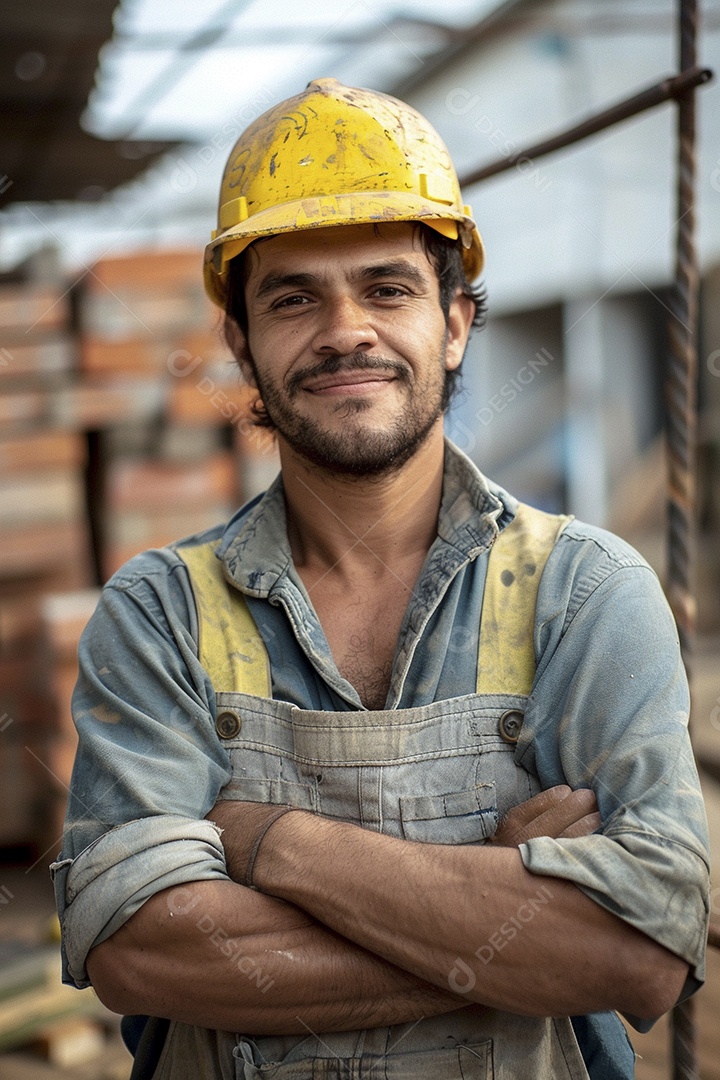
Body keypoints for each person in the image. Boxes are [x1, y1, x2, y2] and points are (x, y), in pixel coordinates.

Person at [53, 78, 710, 1080]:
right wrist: (497, 911)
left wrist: (268, 842)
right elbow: (136, 948)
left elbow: (641, 949)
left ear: (455, 323)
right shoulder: (161, 612)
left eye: (387, 288)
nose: (345, 330)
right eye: (293, 298)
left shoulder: (584, 592)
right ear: (241, 345)